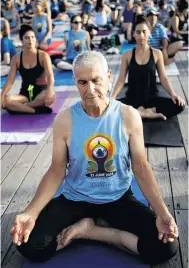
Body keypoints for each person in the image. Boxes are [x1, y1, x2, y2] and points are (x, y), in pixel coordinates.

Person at [10, 50, 179, 265]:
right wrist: (30, 213)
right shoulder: (65, 120)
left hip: (117, 198)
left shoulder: (128, 116)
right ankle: (89, 222)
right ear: (75, 82)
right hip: (76, 197)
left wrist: (162, 212)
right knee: (28, 243)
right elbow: (56, 170)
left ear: (108, 77)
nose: (90, 90)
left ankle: (91, 230)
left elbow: (141, 166)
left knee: (166, 245)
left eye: (96, 80)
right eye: (82, 82)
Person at [112, 16, 185, 120]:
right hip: (132, 99)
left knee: (179, 105)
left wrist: (173, 94)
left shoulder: (157, 53)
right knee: (108, 109)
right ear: (134, 34)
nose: (141, 35)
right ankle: (143, 113)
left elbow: (163, 78)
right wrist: (113, 97)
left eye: (144, 32)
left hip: (152, 99)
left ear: (149, 33)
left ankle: (143, 112)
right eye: (138, 32)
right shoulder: (127, 55)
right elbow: (121, 80)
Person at [1, 25, 55, 115]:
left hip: (41, 93)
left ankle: (20, 108)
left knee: (51, 95)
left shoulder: (43, 56)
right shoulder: (16, 59)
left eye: (32, 37)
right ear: (21, 40)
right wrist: (2, 96)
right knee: (6, 100)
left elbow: (50, 76)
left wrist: (50, 89)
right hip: (25, 95)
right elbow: (10, 81)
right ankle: (35, 110)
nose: (30, 40)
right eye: (27, 38)